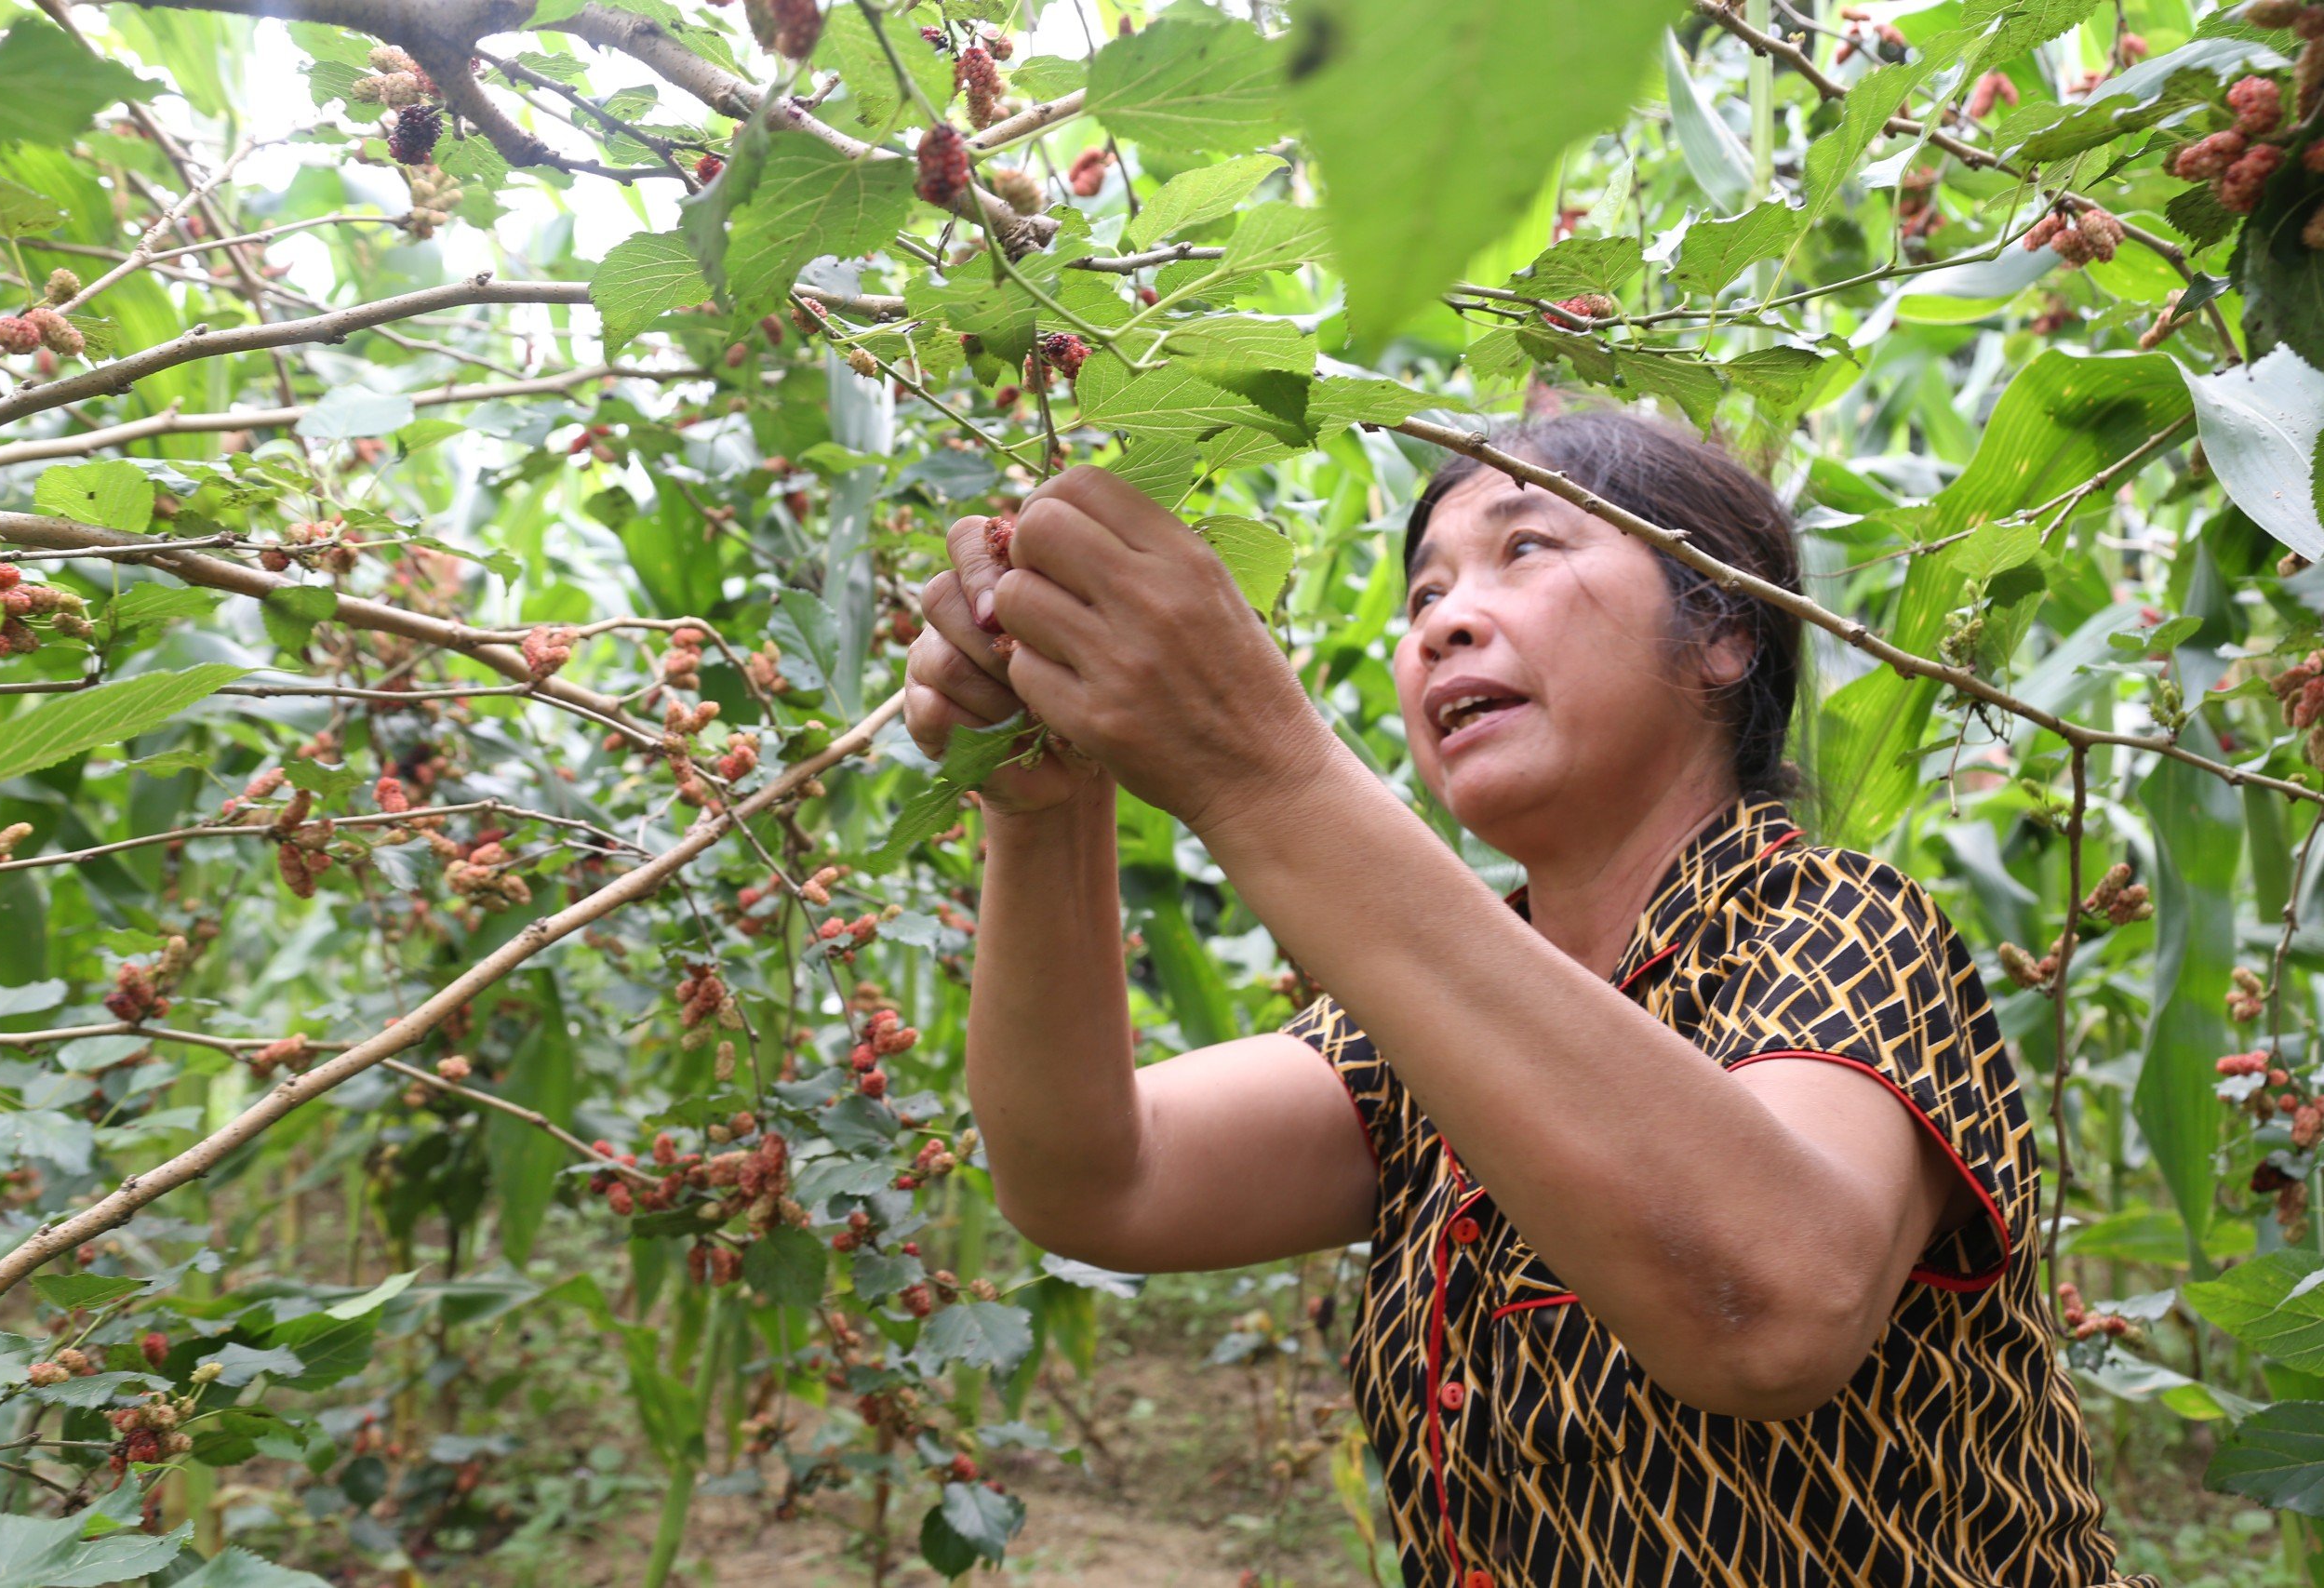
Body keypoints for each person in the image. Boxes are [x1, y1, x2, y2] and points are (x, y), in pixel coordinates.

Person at [901, 409, 2146, 1587]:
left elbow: (1768, 1307)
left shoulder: (1841, 925)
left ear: (1724, 634)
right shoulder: (1414, 1036)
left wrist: (1259, 771)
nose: (1444, 622)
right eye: (1424, 594)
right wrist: (1042, 807)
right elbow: (1096, 1178)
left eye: (1525, 548)